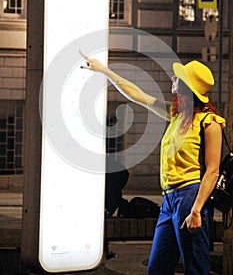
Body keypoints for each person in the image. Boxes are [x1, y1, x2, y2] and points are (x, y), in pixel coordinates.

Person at [80, 52, 225, 275]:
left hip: (191, 197)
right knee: (156, 270)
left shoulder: (209, 123)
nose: (173, 79)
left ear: (187, 87)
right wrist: (103, 70)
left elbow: (213, 171)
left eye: (179, 78)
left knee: (196, 269)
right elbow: (137, 95)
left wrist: (196, 210)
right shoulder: (177, 115)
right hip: (169, 200)